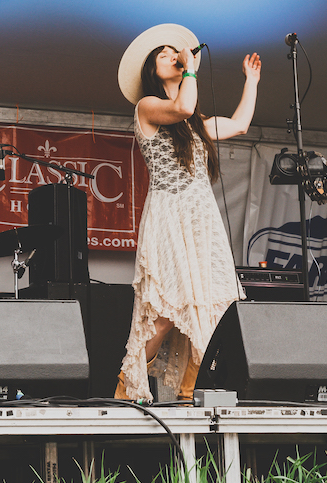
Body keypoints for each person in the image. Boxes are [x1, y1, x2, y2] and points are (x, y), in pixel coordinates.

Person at [114, 24, 261, 401]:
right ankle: (128, 387)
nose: (173, 56)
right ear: (151, 70)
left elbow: (240, 124)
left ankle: (188, 390)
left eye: (174, 53)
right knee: (164, 311)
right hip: (169, 214)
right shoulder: (146, 107)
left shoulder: (195, 126)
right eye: (164, 54)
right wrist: (191, 68)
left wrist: (252, 81)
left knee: (213, 306)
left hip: (200, 217)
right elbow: (182, 106)